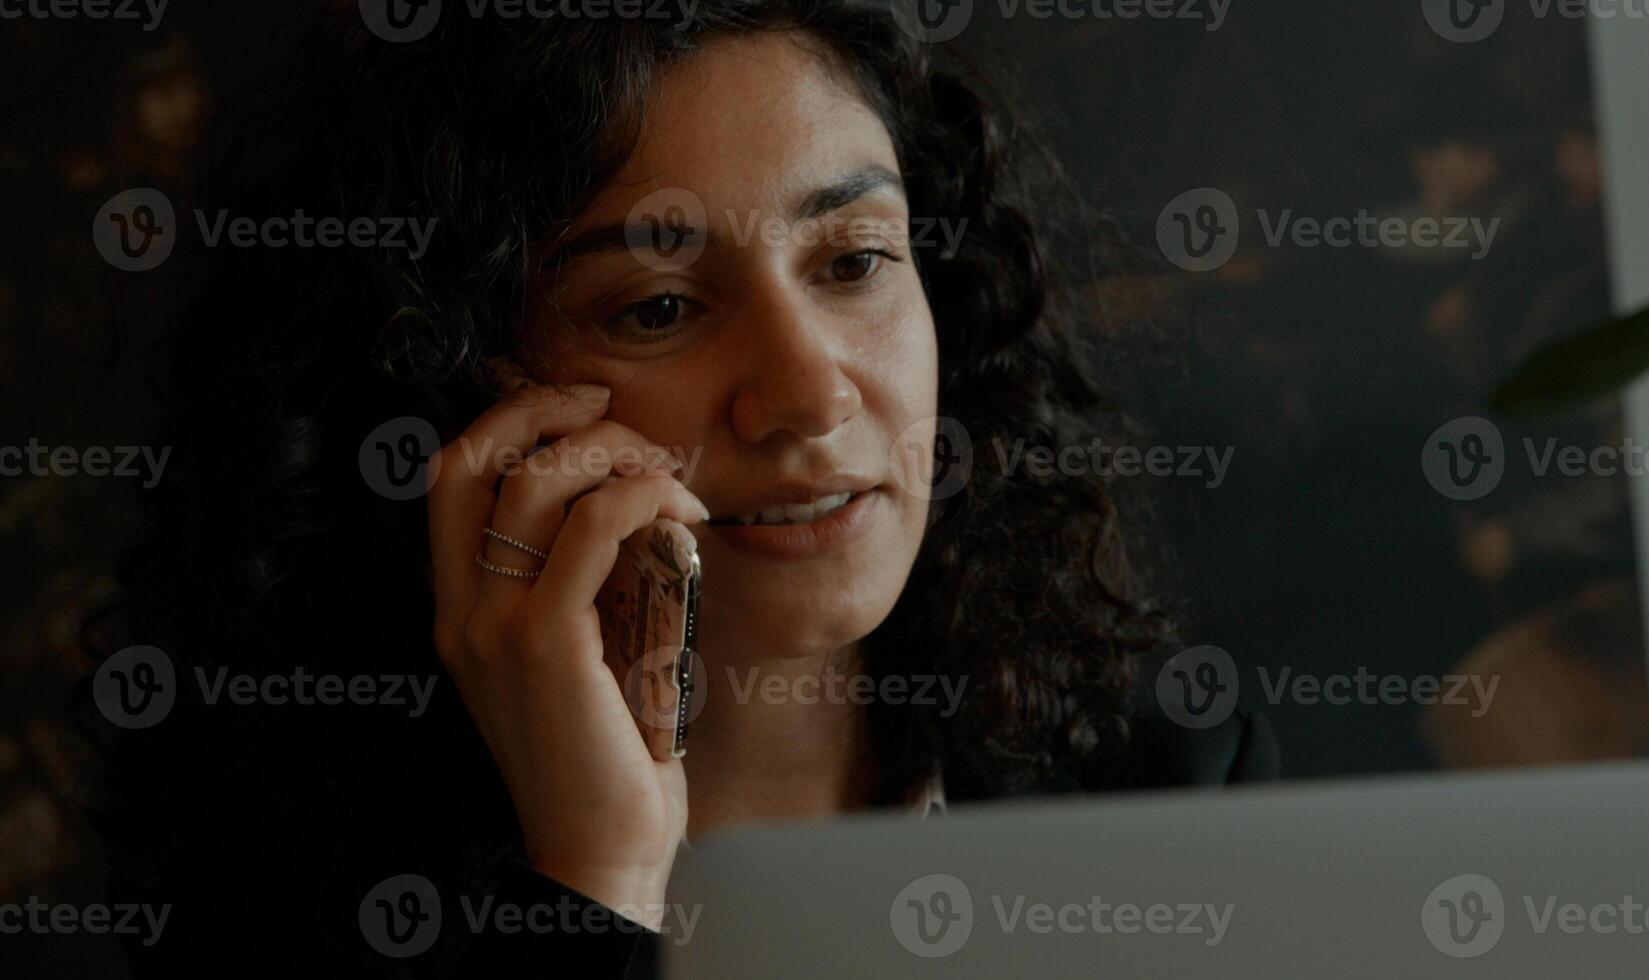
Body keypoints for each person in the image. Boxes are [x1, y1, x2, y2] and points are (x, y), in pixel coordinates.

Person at [84, 1, 1277, 975]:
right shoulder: (303, 924)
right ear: (455, 393)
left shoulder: (1170, 791)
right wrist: (596, 876)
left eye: (855, 260)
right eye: (658, 308)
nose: (809, 394)